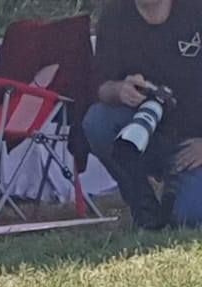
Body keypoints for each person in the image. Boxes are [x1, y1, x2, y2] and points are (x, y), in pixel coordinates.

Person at [83, 0, 202, 228]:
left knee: (189, 217)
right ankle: (142, 205)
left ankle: (176, 196)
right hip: (143, 134)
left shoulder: (195, 11)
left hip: (192, 141)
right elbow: (99, 86)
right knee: (97, 121)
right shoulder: (114, 15)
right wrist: (119, 90)